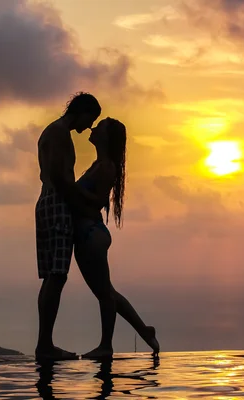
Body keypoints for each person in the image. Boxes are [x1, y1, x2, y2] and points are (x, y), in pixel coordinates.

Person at [73, 117, 160, 359]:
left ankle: (106, 346)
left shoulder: (106, 167)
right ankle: (144, 330)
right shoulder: (98, 164)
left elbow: (97, 202)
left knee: (104, 294)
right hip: (86, 235)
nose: (93, 128)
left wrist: (72, 189)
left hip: (91, 235)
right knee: (107, 291)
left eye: (99, 127)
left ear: (106, 138)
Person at [35, 92, 105, 361]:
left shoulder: (51, 131)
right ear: (82, 111)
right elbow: (59, 178)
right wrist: (87, 200)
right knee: (57, 276)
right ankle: (45, 346)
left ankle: (45, 344)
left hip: (48, 202)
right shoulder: (59, 134)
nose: (89, 126)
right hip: (57, 204)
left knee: (53, 277)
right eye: (91, 119)